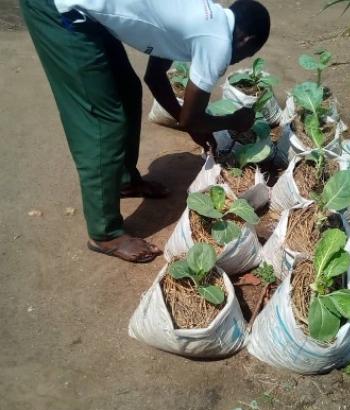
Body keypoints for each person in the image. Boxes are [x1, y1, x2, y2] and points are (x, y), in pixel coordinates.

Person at [20, 0, 271, 262]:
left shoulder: (198, 15)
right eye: (246, 54)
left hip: (87, 8)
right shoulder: (218, 42)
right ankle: (105, 233)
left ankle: (124, 181)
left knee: (127, 90)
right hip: (59, 8)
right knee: (103, 122)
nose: (237, 61)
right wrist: (233, 121)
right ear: (245, 40)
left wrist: (190, 122)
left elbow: (155, 77)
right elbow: (191, 119)